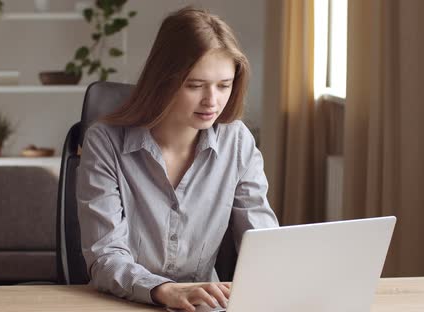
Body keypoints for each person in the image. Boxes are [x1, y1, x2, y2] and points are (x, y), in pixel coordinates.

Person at [76, 6, 279, 312]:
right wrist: (163, 290)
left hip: (206, 305)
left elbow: (263, 241)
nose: (212, 101)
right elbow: (106, 255)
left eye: (224, 85)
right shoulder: (104, 141)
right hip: (121, 302)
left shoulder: (237, 141)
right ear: (164, 81)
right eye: (195, 85)